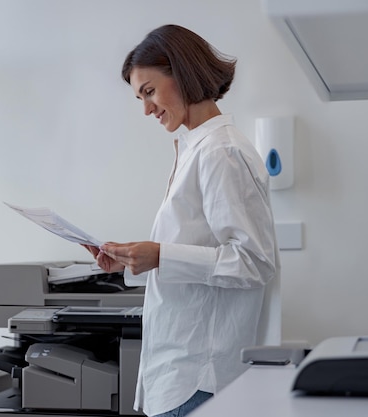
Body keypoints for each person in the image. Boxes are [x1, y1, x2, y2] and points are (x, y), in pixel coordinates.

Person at [84, 24, 279, 417]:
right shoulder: (197, 149)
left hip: (198, 378)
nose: (146, 109)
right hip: (180, 375)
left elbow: (253, 262)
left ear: (183, 73)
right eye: (140, 97)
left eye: (150, 91)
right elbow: (198, 249)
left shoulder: (220, 152)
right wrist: (134, 260)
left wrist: (161, 256)